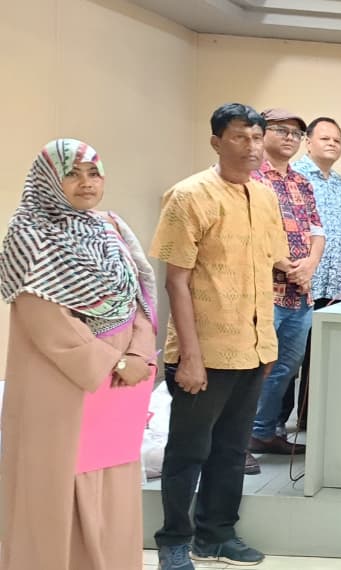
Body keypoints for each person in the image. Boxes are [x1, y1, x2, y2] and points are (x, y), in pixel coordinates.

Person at [0, 139, 157, 570]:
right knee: (57, 488)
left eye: (93, 173)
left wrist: (139, 353)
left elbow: (137, 298)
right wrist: (113, 363)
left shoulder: (109, 228)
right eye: (72, 173)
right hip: (61, 387)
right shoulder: (29, 237)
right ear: (49, 181)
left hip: (120, 384)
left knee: (114, 485)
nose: (86, 183)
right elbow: (46, 321)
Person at [151, 103, 290, 568]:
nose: (252, 147)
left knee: (232, 450)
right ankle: (174, 540)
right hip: (204, 351)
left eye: (256, 137)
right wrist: (189, 356)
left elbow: (266, 272)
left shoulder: (265, 197)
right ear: (216, 142)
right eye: (239, 137)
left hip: (251, 348)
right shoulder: (188, 196)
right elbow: (176, 281)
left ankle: (216, 534)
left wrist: (266, 344)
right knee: (189, 451)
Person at [249, 108, 322, 457]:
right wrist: (285, 265)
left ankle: (263, 433)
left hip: (300, 293)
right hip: (263, 291)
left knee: (286, 368)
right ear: (262, 133)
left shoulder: (302, 182)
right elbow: (251, 233)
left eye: (296, 133)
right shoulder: (249, 178)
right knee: (253, 368)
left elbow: (318, 230)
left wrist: (309, 265)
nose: (290, 137)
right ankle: (237, 442)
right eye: (281, 130)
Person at [284, 116, 341, 433]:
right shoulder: (293, 176)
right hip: (299, 281)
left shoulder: (338, 181)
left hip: (331, 285)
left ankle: (309, 420)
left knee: (317, 357)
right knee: (287, 360)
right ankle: (271, 426)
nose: (332, 144)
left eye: (337, 140)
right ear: (308, 142)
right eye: (325, 138)